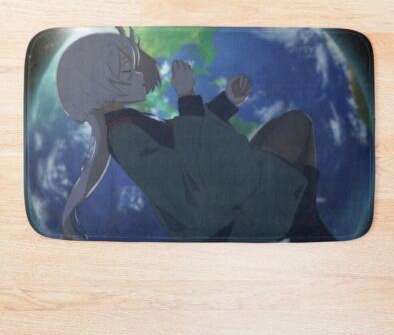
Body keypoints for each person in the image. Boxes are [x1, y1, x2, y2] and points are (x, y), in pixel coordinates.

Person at [57, 27, 333, 241]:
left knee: (285, 129)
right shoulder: (124, 136)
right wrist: (187, 96)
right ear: (99, 83)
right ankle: (303, 221)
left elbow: (184, 138)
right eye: (127, 67)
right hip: (229, 219)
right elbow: (194, 172)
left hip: (223, 208)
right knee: (297, 124)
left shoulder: (126, 126)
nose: (141, 71)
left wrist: (227, 102)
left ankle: (305, 216)